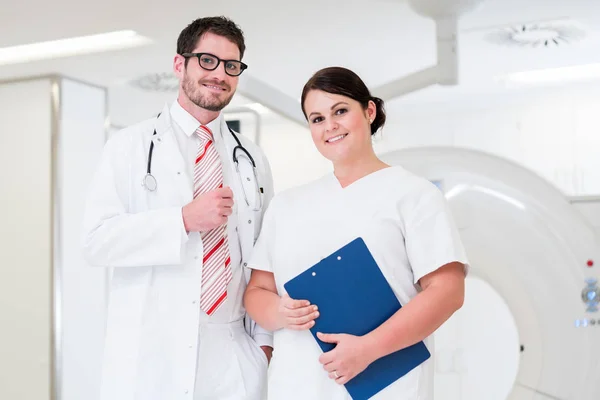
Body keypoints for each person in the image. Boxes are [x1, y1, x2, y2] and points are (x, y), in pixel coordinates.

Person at [243, 66, 469, 400]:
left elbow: (448, 291)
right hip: (298, 383)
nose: (329, 126)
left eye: (340, 111)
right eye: (317, 119)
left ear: (369, 111)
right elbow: (257, 291)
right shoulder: (287, 205)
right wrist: (279, 311)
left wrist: (369, 348)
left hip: (386, 384)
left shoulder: (413, 194)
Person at [82, 16, 274, 400]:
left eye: (231, 66)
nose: (219, 74)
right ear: (179, 64)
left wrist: (264, 348)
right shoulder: (129, 146)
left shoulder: (250, 158)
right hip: (152, 352)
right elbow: (96, 242)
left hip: (231, 351)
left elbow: (265, 257)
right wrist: (183, 219)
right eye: (207, 60)